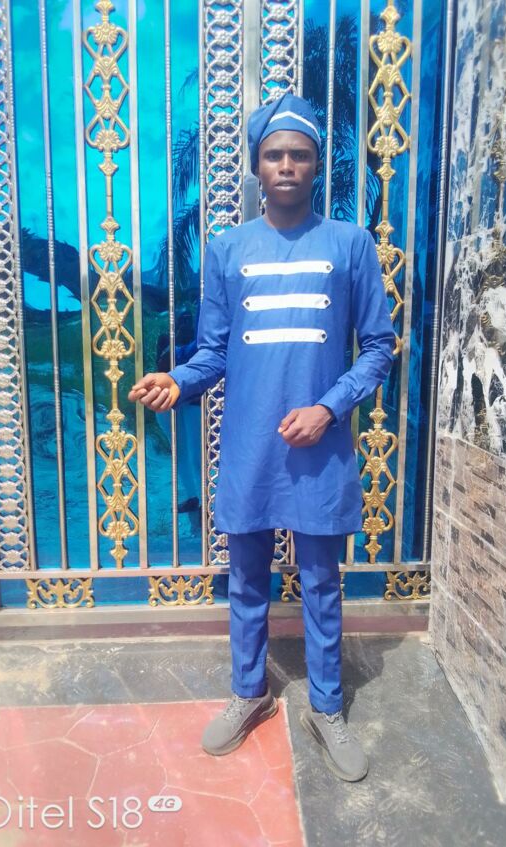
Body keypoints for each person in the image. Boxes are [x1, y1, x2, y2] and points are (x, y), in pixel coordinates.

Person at [128, 92, 395, 782]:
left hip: (319, 449)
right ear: (256, 166)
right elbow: (214, 352)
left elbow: (378, 348)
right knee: (246, 580)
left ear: (316, 165)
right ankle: (249, 693)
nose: (286, 165)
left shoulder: (350, 244)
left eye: (299, 155)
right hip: (249, 448)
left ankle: (326, 707)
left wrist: (328, 409)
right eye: (274, 155)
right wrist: (177, 381)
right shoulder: (228, 249)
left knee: (321, 583)